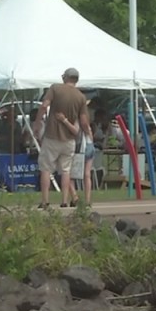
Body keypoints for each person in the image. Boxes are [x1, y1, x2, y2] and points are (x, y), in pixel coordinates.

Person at [33, 68, 92, 209]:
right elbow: (84, 121)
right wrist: (89, 135)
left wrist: (37, 122)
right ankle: (64, 201)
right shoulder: (81, 97)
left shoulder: (55, 88)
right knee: (66, 170)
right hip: (69, 140)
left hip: (52, 136)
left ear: (65, 77)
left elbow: (44, 106)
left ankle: (45, 200)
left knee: (46, 168)